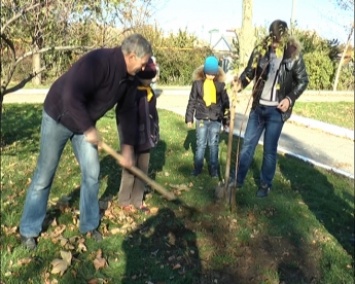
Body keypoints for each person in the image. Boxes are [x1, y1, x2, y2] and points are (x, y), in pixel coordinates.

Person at [19, 33, 152, 249]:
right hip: (58, 117)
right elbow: (70, 96)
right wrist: (89, 128)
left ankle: (89, 225)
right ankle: (28, 229)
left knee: (92, 173)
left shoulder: (130, 79)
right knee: (44, 175)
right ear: (130, 56)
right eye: (143, 62)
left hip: (84, 123)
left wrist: (127, 147)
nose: (144, 68)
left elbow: (126, 112)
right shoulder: (98, 62)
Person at [231, 19, 309, 197]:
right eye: (273, 37)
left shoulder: (293, 54)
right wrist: (239, 85)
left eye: (278, 38)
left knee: (269, 150)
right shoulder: (261, 50)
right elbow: (249, 72)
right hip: (258, 107)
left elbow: (302, 80)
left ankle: (265, 184)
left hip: (277, 111)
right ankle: (238, 179)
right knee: (247, 145)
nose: (275, 42)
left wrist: (290, 98)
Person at [117, 57, 160, 213]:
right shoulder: (130, 91)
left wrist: (155, 131)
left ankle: (137, 200)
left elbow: (153, 115)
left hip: (146, 137)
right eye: (145, 78)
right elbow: (122, 116)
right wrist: (126, 139)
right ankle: (124, 200)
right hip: (131, 138)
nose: (148, 81)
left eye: (150, 78)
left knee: (142, 169)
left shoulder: (150, 93)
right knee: (130, 170)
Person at [185, 56, 230, 178]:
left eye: (213, 74)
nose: (211, 76)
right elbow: (192, 101)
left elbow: (226, 103)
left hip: (215, 119)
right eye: (208, 74)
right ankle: (197, 168)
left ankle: (214, 170)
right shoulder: (197, 84)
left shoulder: (221, 85)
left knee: (213, 144)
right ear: (204, 72)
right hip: (201, 118)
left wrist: (226, 121)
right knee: (200, 144)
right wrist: (189, 118)